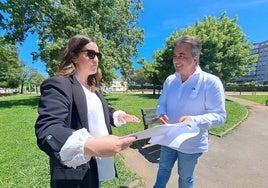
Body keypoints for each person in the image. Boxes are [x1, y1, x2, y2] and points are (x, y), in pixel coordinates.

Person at [35, 34, 141, 188]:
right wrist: (90, 146)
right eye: (90, 54)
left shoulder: (93, 88)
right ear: (74, 56)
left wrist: (117, 115)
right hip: (76, 170)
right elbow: (48, 129)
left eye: (98, 55)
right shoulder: (59, 85)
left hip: (96, 165)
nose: (96, 59)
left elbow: (99, 111)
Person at [153, 35, 226, 188]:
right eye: (175, 55)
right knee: (162, 171)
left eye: (182, 55)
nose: (176, 60)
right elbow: (162, 103)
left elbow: (220, 116)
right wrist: (161, 112)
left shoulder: (210, 82)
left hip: (191, 143)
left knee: (185, 178)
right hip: (169, 137)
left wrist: (194, 120)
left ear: (195, 58)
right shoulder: (170, 80)